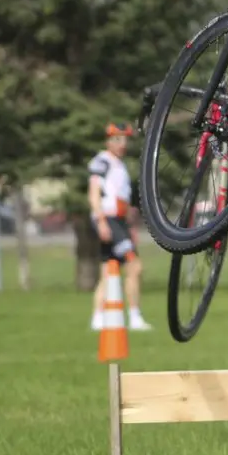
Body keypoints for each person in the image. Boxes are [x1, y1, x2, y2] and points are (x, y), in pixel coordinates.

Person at [88, 123, 151, 331]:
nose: (122, 144)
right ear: (108, 141)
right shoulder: (102, 162)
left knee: (108, 270)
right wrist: (101, 221)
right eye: (117, 139)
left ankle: (98, 318)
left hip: (120, 222)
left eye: (125, 139)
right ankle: (134, 316)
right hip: (109, 219)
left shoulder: (120, 165)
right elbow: (94, 193)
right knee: (134, 266)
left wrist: (130, 226)